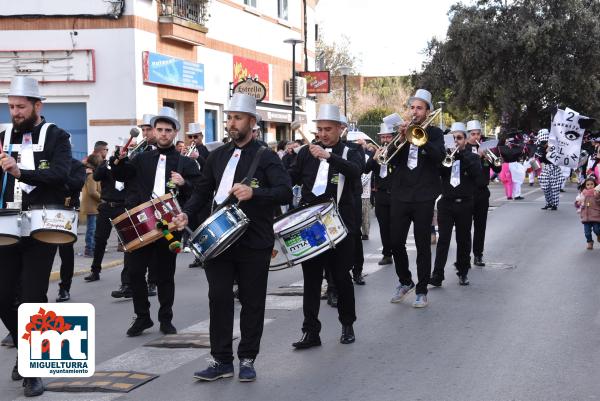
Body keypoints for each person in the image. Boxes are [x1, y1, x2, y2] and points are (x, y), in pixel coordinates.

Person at [173, 93, 292, 382]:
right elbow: (202, 191)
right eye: (229, 118)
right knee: (219, 299)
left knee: (252, 302)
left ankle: (248, 358)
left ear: (252, 122)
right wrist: (186, 213)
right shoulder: (217, 155)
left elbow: (285, 191)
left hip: (254, 240)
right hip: (219, 240)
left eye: (237, 118)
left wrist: (256, 193)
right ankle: (221, 360)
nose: (231, 123)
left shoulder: (266, 157)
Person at [0, 76, 72, 397]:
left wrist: (21, 172)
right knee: (3, 296)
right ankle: (25, 347)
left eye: (20, 106)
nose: (14, 112)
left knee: (33, 296)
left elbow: (61, 175)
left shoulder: (57, 136)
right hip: (5, 224)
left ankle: (34, 368)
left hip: (43, 224)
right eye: (11, 106)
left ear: (36, 106)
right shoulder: (1, 136)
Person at [111, 107, 201, 337]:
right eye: (159, 129)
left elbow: (200, 193)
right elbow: (122, 175)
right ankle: (142, 317)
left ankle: (165, 318)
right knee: (134, 272)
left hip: (169, 226)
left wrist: (184, 184)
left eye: (167, 130)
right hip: (142, 223)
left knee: (164, 274)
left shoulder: (185, 163)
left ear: (175, 133)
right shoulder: (140, 158)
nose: (163, 134)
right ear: (154, 131)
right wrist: (117, 162)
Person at [287, 103, 363, 349]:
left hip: (340, 223)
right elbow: (291, 178)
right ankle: (311, 332)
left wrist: (329, 156)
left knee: (341, 277)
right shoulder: (306, 153)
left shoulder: (351, 151)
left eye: (328, 129)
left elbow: (355, 171)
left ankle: (347, 324)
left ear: (341, 128)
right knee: (311, 280)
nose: (322, 134)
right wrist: (288, 158)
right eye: (319, 129)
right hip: (311, 224)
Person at [379, 89, 445, 308]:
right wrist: (400, 138)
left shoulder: (434, 134)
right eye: (412, 107)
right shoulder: (402, 132)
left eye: (419, 108)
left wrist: (419, 139)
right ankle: (405, 280)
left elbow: (439, 157)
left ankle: (422, 289)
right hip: (401, 193)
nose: (414, 111)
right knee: (395, 241)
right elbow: (391, 161)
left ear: (427, 111)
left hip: (424, 195)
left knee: (422, 243)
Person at [430, 123, 484, 286]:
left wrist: (461, 156)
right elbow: (438, 171)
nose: (456, 141)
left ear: (466, 139)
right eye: (453, 138)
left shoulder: (473, 157)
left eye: (459, 138)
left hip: (465, 203)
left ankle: (463, 271)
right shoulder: (445, 157)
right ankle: (437, 275)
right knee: (443, 240)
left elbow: (477, 176)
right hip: (446, 203)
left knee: (463, 239)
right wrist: (448, 157)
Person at [465, 120, 503, 267]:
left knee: (481, 226)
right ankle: (465, 256)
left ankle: (478, 255)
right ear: (468, 135)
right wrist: (478, 157)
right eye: (473, 134)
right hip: (468, 192)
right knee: (466, 227)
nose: (476, 137)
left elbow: (498, 169)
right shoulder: (464, 149)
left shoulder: (487, 149)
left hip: (482, 192)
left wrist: (491, 160)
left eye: (478, 134)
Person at [56, 156, 86, 302]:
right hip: (46, 210)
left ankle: (64, 288)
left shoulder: (76, 165)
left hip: (68, 212)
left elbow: (78, 184)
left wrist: (59, 175)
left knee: (66, 252)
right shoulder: (48, 162)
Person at [365, 123, 395, 266]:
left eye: (388, 136)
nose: (385, 139)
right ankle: (387, 254)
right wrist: (374, 158)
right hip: (381, 194)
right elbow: (366, 169)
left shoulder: (398, 151)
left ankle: (398, 250)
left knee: (396, 226)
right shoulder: (376, 151)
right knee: (383, 225)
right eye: (383, 137)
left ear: (393, 137)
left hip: (396, 193)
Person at [80, 153, 103, 258]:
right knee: (92, 229)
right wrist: (102, 199)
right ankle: (89, 249)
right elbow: (93, 192)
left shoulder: (91, 174)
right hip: (92, 206)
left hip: (93, 206)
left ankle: (91, 248)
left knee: (93, 228)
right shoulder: (92, 176)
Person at [536, 129, 562, 210]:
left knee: (555, 187)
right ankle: (548, 203)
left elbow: (559, 157)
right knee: (545, 187)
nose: (544, 143)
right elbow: (539, 160)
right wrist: (544, 152)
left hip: (555, 167)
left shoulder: (555, 146)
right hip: (545, 168)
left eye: (545, 141)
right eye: (543, 142)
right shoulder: (540, 148)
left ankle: (555, 204)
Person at [574, 177, 600, 249]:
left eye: (592, 184)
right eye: (588, 184)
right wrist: (578, 203)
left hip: (596, 216)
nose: (590, 186)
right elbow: (577, 203)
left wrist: (597, 197)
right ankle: (590, 242)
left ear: (595, 185)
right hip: (586, 217)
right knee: (587, 233)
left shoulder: (597, 193)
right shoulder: (582, 194)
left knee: (597, 229)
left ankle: (599, 235)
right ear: (585, 185)